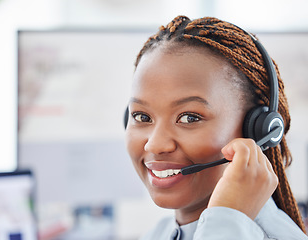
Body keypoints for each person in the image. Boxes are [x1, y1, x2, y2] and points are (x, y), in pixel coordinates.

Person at [124, 16, 308, 239]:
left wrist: (227, 219)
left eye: (189, 118)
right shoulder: (158, 233)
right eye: (142, 116)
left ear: (258, 131)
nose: (156, 144)